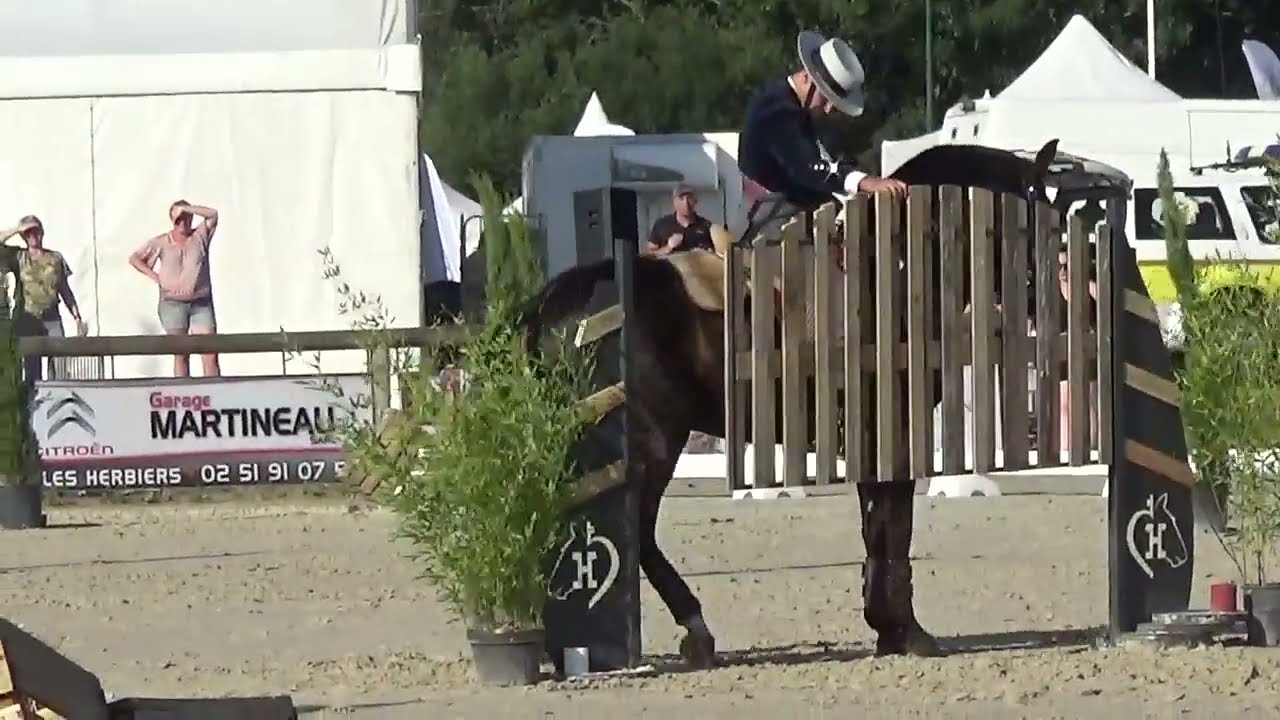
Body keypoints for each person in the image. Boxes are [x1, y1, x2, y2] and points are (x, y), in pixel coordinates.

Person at [735, 30, 907, 241]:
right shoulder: (778, 111)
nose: (827, 109)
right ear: (807, 78)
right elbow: (807, 167)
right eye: (824, 97)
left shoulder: (786, 105)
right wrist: (862, 181)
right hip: (770, 221)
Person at [128, 199, 221, 378]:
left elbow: (213, 215)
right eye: (179, 220)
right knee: (181, 353)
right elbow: (135, 258)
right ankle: (183, 390)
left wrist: (186, 208)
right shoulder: (162, 241)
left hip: (200, 302)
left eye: (186, 218)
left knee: (210, 351)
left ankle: (213, 389)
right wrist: (155, 277)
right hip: (173, 303)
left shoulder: (200, 236)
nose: (183, 223)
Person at [1, 215, 86, 383]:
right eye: (28, 233)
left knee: (60, 362)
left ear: (42, 232)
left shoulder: (55, 258)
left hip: (51, 317)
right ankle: (34, 396)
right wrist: (17, 229)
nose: (33, 236)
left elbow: (64, 289)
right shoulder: (19, 256)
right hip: (28, 318)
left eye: (36, 231)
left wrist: (77, 317)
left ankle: (58, 394)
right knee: (32, 367)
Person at [645, 185, 714, 256]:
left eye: (689, 198)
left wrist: (708, 254)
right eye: (681, 199)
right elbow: (649, 255)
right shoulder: (662, 224)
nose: (686, 203)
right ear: (674, 202)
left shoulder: (706, 226)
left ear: (695, 201)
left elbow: (717, 255)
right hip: (669, 263)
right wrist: (668, 247)